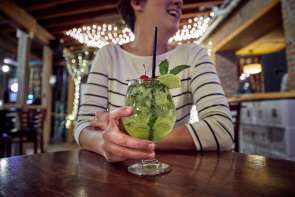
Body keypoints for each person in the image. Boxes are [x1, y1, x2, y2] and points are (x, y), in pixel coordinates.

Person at [74, 0, 234, 162]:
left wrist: (126, 134)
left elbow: (222, 129)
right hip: (120, 173)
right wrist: (104, 143)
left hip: (174, 174)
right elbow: (84, 125)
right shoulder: (108, 56)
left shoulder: (193, 55)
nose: (179, 1)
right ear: (137, 3)